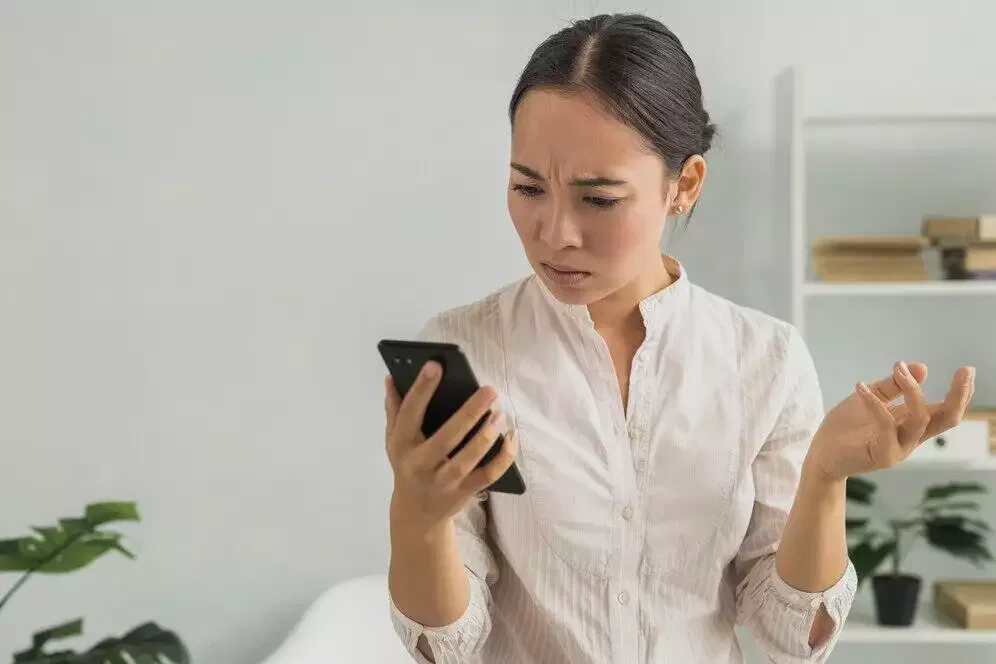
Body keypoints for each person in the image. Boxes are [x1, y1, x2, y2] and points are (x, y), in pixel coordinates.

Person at [382, 13, 975, 664]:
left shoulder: (765, 361)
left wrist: (824, 480)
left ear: (684, 186)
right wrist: (420, 513)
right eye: (528, 187)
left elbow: (790, 637)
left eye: (598, 199)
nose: (554, 233)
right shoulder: (465, 350)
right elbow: (444, 648)